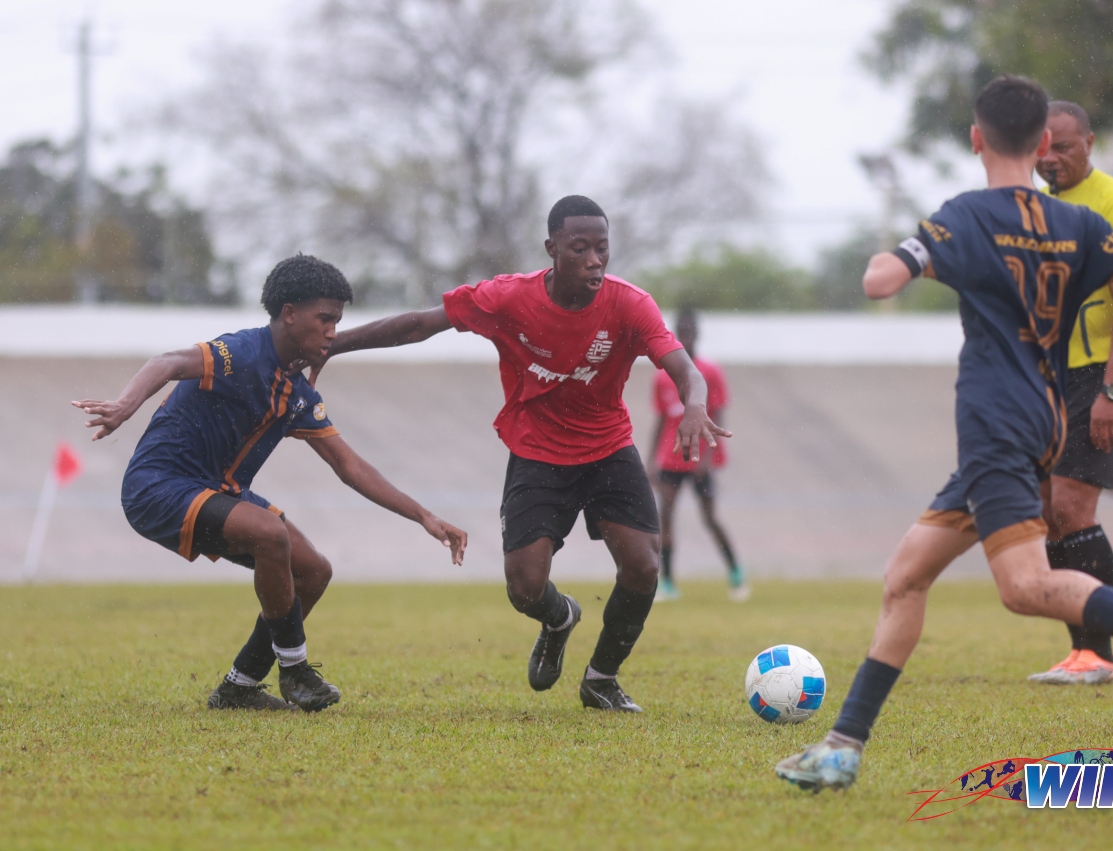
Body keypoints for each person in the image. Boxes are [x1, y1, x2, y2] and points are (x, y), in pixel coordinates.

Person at [774, 76, 1113, 794]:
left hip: (995, 422)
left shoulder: (966, 216)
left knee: (1024, 587)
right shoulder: (1077, 224)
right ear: (1043, 142)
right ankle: (841, 747)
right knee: (906, 576)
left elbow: (880, 281)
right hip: (1046, 416)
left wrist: (909, 251)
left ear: (976, 139)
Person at [310, 196, 728, 713]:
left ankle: (601, 679)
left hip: (607, 449)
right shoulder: (507, 298)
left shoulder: (629, 303)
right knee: (525, 589)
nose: (594, 260)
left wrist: (694, 406)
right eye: (580, 249)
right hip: (538, 453)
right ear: (552, 248)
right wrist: (334, 345)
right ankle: (559, 618)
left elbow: (684, 368)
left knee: (643, 567)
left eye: (602, 248)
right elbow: (420, 323)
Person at [72, 255, 467, 712]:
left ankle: (239, 688)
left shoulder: (298, 393)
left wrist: (424, 516)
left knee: (314, 571)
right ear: (289, 313)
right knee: (269, 533)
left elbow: (350, 467)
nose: (333, 332)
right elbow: (168, 361)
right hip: (158, 486)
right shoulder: (239, 352)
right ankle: (295, 670)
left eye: (337, 322)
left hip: (219, 491)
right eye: (325, 319)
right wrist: (125, 405)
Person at [1028, 100, 1113, 686]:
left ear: (1090, 143)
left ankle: (1099, 654)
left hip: (1095, 374)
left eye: (1064, 146)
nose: (1051, 158)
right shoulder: (1032, 208)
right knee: (1047, 512)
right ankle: (1081, 650)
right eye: (1043, 148)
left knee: (1072, 508)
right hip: (1044, 377)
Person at [649, 307, 748, 602]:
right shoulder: (663, 376)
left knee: (709, 518)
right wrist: (651, 459)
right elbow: (661, 419)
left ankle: (735, 570)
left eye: (691, 331)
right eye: (682, 331)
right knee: (665, 516)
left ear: (697, 334)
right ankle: (668, 581)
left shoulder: (710, 372)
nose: (687, 337)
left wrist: (707, 458)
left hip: (700, 459)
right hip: (671, 456)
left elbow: (717, 415)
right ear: (677, 334)